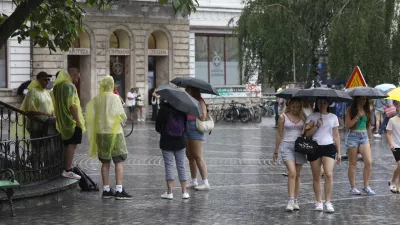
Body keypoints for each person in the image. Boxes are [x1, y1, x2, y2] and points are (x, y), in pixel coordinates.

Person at [86, 75, 132, 200]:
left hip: (101, 133)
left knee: (105, 162)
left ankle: (106, 190)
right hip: (115, 133)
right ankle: (119, 190)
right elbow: (122, 116)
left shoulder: (97, 98)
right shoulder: (115, 97)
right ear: (111, 85)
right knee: (119, 160)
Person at [305, 98, 341, 213]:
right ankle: (319, 201)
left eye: (324, 102)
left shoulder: (333, 117)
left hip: (329, 146)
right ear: (317, 103)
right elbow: (306, 134)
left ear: (328, 103)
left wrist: (339, 151)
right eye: (320, 102)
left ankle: (328, 201)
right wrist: (317, 126)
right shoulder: (312, 116)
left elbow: (336, 135)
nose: (322, 104)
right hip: (314, 147)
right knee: (316, 176)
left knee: (328, 174)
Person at [273, 98, 307, 211]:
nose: (295, 109)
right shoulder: (283, 117)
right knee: (292, 172)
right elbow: (279, 134)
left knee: (297, 174)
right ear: (289, 105)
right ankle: (291, 200)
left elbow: (306, 133)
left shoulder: (303, 117)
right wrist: (276, 150)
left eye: (297, 107)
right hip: (287, 146)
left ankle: (296, 200)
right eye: (293, 107)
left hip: (300, 147)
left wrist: (308, 127)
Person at [52, 68, 85, 180]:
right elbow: (72, 105)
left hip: (62, 121)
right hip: (71, 121)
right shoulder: (70, 86)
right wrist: (78, 122)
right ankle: (67, 170)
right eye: (77, 76)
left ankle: (64, 167)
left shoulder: (58, 86)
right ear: (74, 74)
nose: (78, 79)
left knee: (66, 145)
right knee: (72, 145)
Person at [155, 99, 190, 199]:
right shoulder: (182, 109)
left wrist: (164, 130)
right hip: (180, 141)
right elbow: (185, 126)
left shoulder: (163, 109)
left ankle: (170, 192)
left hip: (166, 141)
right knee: (181, 165)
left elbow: (157, 127)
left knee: (169, 165)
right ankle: (184, 192)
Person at [345, 96, 375, 195]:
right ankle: (352, 187)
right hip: (353, 136)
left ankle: (366, 186)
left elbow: (369, 125)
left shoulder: (367, 109)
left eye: (365, 99)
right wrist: (357, 116)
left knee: (369, 162)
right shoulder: (350, 109)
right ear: (357, 99)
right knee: (353, 164)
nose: (363, 101)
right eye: (362, 99)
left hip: (364, 136)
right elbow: (347, 125)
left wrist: (370, 139)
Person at [185, 86, 210, 191]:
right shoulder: (187, 101)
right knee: (190, 156)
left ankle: (205, 183)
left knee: (198, 156)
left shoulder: (200, 101)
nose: (186, 90)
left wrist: (194, 109)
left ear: (193, 90)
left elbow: (203, 116)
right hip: (186, 127)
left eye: (188, 89)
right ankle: (194, 181)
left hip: (195, 127)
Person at [386, 102, 400, 193]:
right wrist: (391, 144)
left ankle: (393, 182)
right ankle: (397, 185)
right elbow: (388, 133)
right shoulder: (392, 120)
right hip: (396, 146)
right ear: (398, 107)